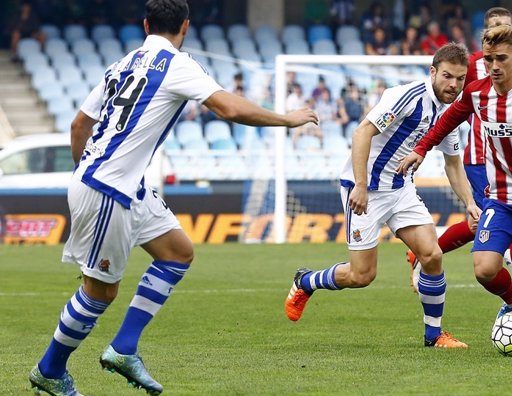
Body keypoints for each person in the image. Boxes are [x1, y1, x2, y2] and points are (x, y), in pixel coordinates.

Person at [28, 1, 318, 395]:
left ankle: (125, 348)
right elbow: (228, 108)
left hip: (120, 185)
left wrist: (87, 169)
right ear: (185, 25)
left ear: (145, 24)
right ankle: (50, 369)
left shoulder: (122, 63)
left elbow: (80, 123)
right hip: (109, 188)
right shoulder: (177, 63)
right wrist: (288, 118)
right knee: (100, 291)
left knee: (178, 252)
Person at [284, 43, 481, 349]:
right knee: (362, 275)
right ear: (433, 72)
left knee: (432, 255)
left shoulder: (452, 114)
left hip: (401, 189)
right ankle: (306, 281)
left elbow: (453, 163)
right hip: (365, 190)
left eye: (459, 78)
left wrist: (469, 203)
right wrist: (361, 185)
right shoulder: (406, 96)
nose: (453, 85)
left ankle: (434, 336)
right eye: (447, 76)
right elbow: (362, 132)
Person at [398, 24, 512, 353]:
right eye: (489, 59)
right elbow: (446, 122)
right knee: (484, 269)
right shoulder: (477, 92)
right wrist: (421, 149)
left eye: (501, 59)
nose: (494, 66)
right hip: (502, 198)